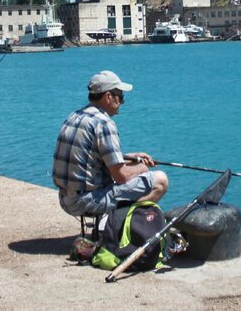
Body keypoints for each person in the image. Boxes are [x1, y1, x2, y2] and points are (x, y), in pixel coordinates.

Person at [52, 70, 168, 217]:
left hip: (65, 199)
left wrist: (132, 157)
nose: (122, 102)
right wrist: (142, 167)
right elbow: (121, 176)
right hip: (86, 202)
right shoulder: (104, 123)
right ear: (108, 97)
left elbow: (92, 157)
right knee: (160, 180)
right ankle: (120, 227)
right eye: (120, 97)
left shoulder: (74, 116)